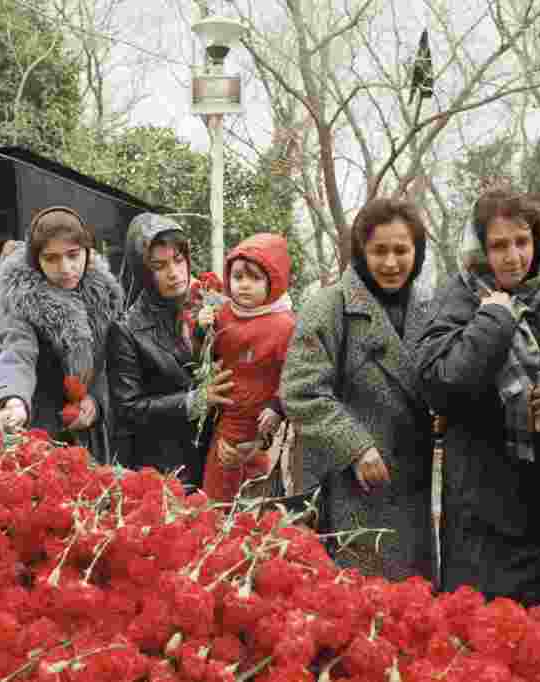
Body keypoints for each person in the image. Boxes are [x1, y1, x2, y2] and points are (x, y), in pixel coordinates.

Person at [415, 190, 540, 620]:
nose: (513, 256)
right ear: (481, 250)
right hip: (482, 504)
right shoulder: (460, 296)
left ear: (538, 242)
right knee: (484, 637)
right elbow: (439, 384)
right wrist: (495, 320)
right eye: (499, 245)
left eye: (522, 242)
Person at [281, 198, 435, 579]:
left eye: (401, 250)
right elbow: (301, 390)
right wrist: (355, 445)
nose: (391, 263)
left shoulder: (428, 308)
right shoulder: (329, 306)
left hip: (412, 495)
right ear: (361, 252)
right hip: (352, 493)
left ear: (417, 253)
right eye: (378, 250)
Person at [0, 207, 124, 462]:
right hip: (40, 431)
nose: (65, 267)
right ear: (35, 260)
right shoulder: (21, 301)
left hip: (90, 435)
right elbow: (17, 353)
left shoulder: (104, 296)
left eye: (73, 255)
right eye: (51, 258)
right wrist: (13, 398)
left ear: (87, 250)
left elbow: (109, 366)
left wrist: (96, 402)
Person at [108, 214, 233, 488]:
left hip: (219, 459)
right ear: (142, 270)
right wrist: (195, 401)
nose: (174, 272)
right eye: (159, 265)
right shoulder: (127, 330)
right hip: (166, 472)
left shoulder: (214, 308)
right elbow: (129, 409)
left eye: (178, 260)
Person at [197, 234, 296, 502]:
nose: (244, 285)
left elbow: (296, 374)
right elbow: (204, 359)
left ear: (272, 282)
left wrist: (278, 407)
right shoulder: (223, 314)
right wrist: (201, 330)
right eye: (238, 277)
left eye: (254, 278)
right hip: (225, 419)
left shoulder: (284, 325)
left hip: (260, 427)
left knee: (254, 500)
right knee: (216, 497)